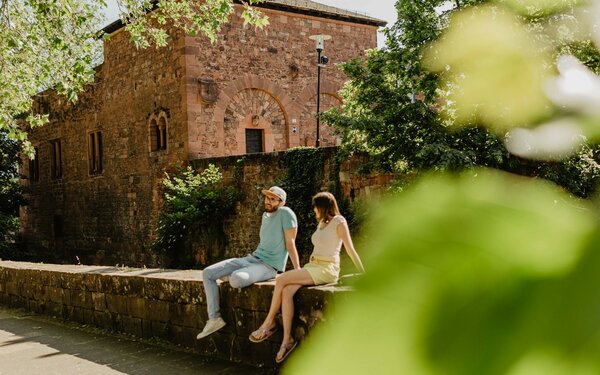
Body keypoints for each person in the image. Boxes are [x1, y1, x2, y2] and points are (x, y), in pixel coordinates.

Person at [249, 191, 365, 363]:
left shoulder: (339, 222)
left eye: (315, 207)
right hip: (313, 266)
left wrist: (363, 272)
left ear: (323, 206)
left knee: (281, 279)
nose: (314, 210)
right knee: (287, 291)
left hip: (327, 269)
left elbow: (350, 248)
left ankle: (268, 323)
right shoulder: (321, 224)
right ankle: (287, 340)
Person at [197, 186, 300, 339]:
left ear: (282, 202)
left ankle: (232, 276)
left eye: (273, 199)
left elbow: (290, 242)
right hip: (251, 259)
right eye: (267, 198)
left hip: (269, 266)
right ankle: (214, 318)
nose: (268, 201)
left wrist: (298, 270)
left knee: (236, 279)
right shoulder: (265, 215)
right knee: (208, 273)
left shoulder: (286, 213)